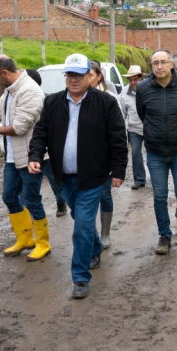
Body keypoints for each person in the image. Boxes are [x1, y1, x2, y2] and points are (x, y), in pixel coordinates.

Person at [28, 53, 127, 299]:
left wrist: (119, 170)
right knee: (79, 219)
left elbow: (118, 139)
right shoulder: (52, 103)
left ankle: (80, 278)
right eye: (69, 75)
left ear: (89, 76)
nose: (73, 80)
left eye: (79, 75)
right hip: (64, 177)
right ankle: (94, 248)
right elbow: (40, 133)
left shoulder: (105, 103)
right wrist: (35, 156)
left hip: (93, 177)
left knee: (81, 226)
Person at [0, 56, 48, 261]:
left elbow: (20, 127)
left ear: (4, 73)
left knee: (31, 199)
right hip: (12, 156)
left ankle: (42, 243)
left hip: (31, 155)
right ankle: (25, 239)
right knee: (9, 196)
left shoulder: (30, 90)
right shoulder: (10, 90)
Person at [136, 49, 177, 255]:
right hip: (155, 152)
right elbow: (142, 114)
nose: (159, 66)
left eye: (163, 62)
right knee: (159, 196)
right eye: (155, 63)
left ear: (172, 64)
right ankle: (164, 234)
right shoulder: (143, 88)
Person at [89, 60, 125, 248]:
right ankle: (91, 232)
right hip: (83, 159)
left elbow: (119, 130)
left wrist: (117, 164)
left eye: (90, 75)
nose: (85, 79)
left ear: (98, 76)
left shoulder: (109, 97)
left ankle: (105, 234)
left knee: (104, 194)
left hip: (103, 157)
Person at [25, 68, 68, 217]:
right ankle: (29, 211)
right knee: (29, 183)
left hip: (46, 149)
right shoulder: (17, 97)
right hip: (29, 149)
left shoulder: (46, 100)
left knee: (54, 179)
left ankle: (61, 202)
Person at [120, 65, 147, 190]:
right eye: (130, 80)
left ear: (141, 78)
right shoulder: (124, 92)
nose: (132, 82)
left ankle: (157, 177)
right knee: (136, 153)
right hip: (134, 128)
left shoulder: (148, 89)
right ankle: (139, 179)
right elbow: (122, 112)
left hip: (149, 127)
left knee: (152, 153)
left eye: (135, 79)